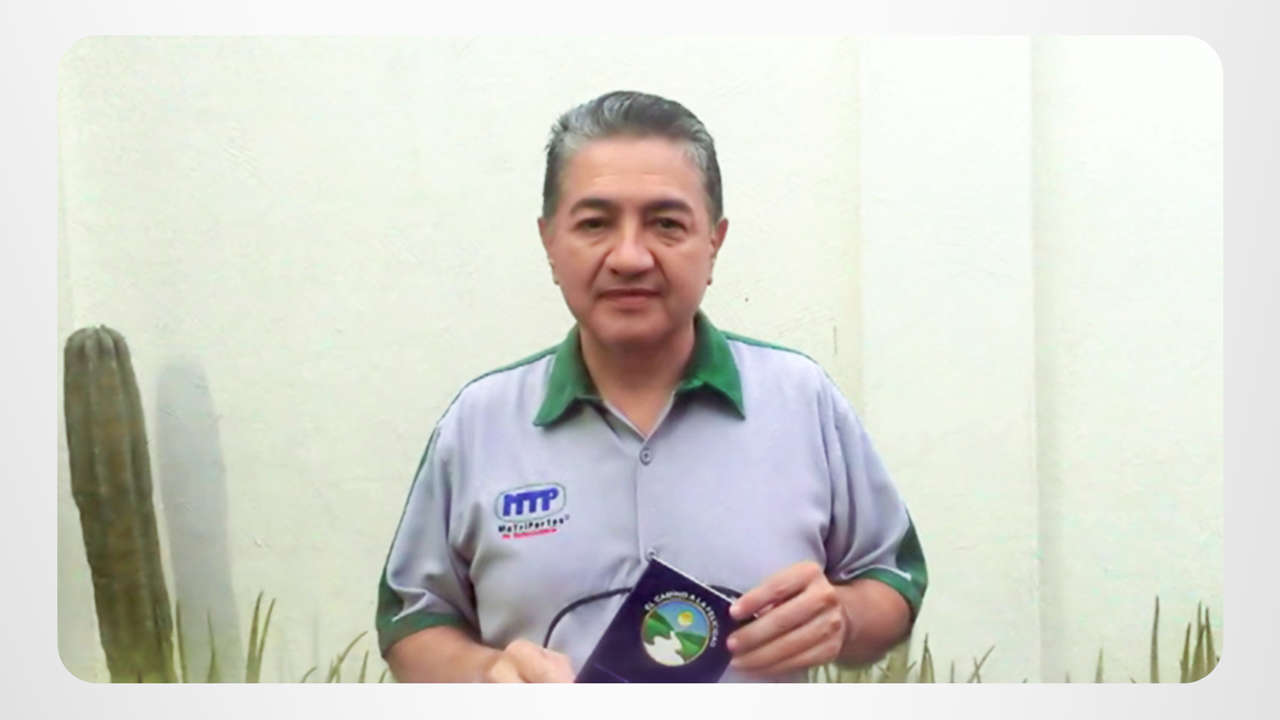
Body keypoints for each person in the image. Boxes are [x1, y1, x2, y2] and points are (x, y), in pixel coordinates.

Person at [375, 90, 927, 683]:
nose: (630, 257)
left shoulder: (801, 400)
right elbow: (413, 619)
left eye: (666, 224)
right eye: (595, 224)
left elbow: (892, 578)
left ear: (713, 242)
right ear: (549, 242)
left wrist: (844, 618)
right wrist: (487, 674)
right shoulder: (479, 422)